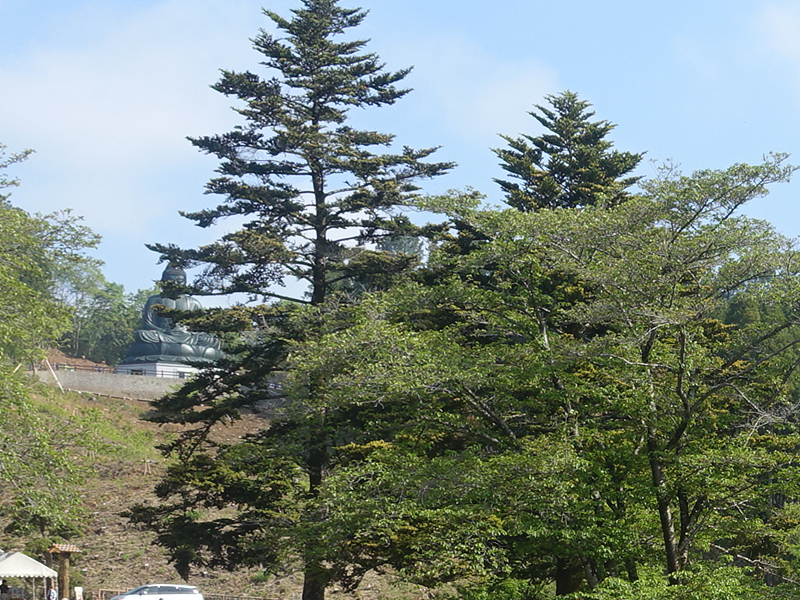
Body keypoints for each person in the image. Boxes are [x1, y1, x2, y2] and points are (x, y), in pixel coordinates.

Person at [121, 264, 223, 364]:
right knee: (142, 335)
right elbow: (147, 324)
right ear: (163, 283)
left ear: (185, 283)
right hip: (163, 335)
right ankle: (178, 350)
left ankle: (176, 350)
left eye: (179, 281)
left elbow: (200, 327)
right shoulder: (155, 300)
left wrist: (188, 332)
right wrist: (164, 331)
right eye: (171, 281)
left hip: (187, 337)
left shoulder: (193, 302)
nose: (175, 284)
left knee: (210, 340)